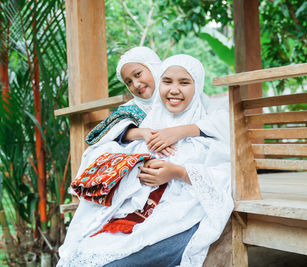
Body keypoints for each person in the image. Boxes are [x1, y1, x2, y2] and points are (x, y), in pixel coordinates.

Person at [57, 54, 233, 266]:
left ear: (197, 86)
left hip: (180, 219)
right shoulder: (150, 123)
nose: (174, 89)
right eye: (167, 82)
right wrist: (139, 164)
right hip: (137, 216)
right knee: (80, 256)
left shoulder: (208, 129)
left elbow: (224, 177)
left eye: (184, 82)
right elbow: (101, 145)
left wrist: (175, 172)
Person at [86, 47, 229, 158]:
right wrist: (143, 133)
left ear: (154, 68)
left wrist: (180, 131)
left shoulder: (193, 99)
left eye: (138, 74)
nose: (135, 84)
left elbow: (221, 121)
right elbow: (106, 134)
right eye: (128, 82)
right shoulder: (132, 109)